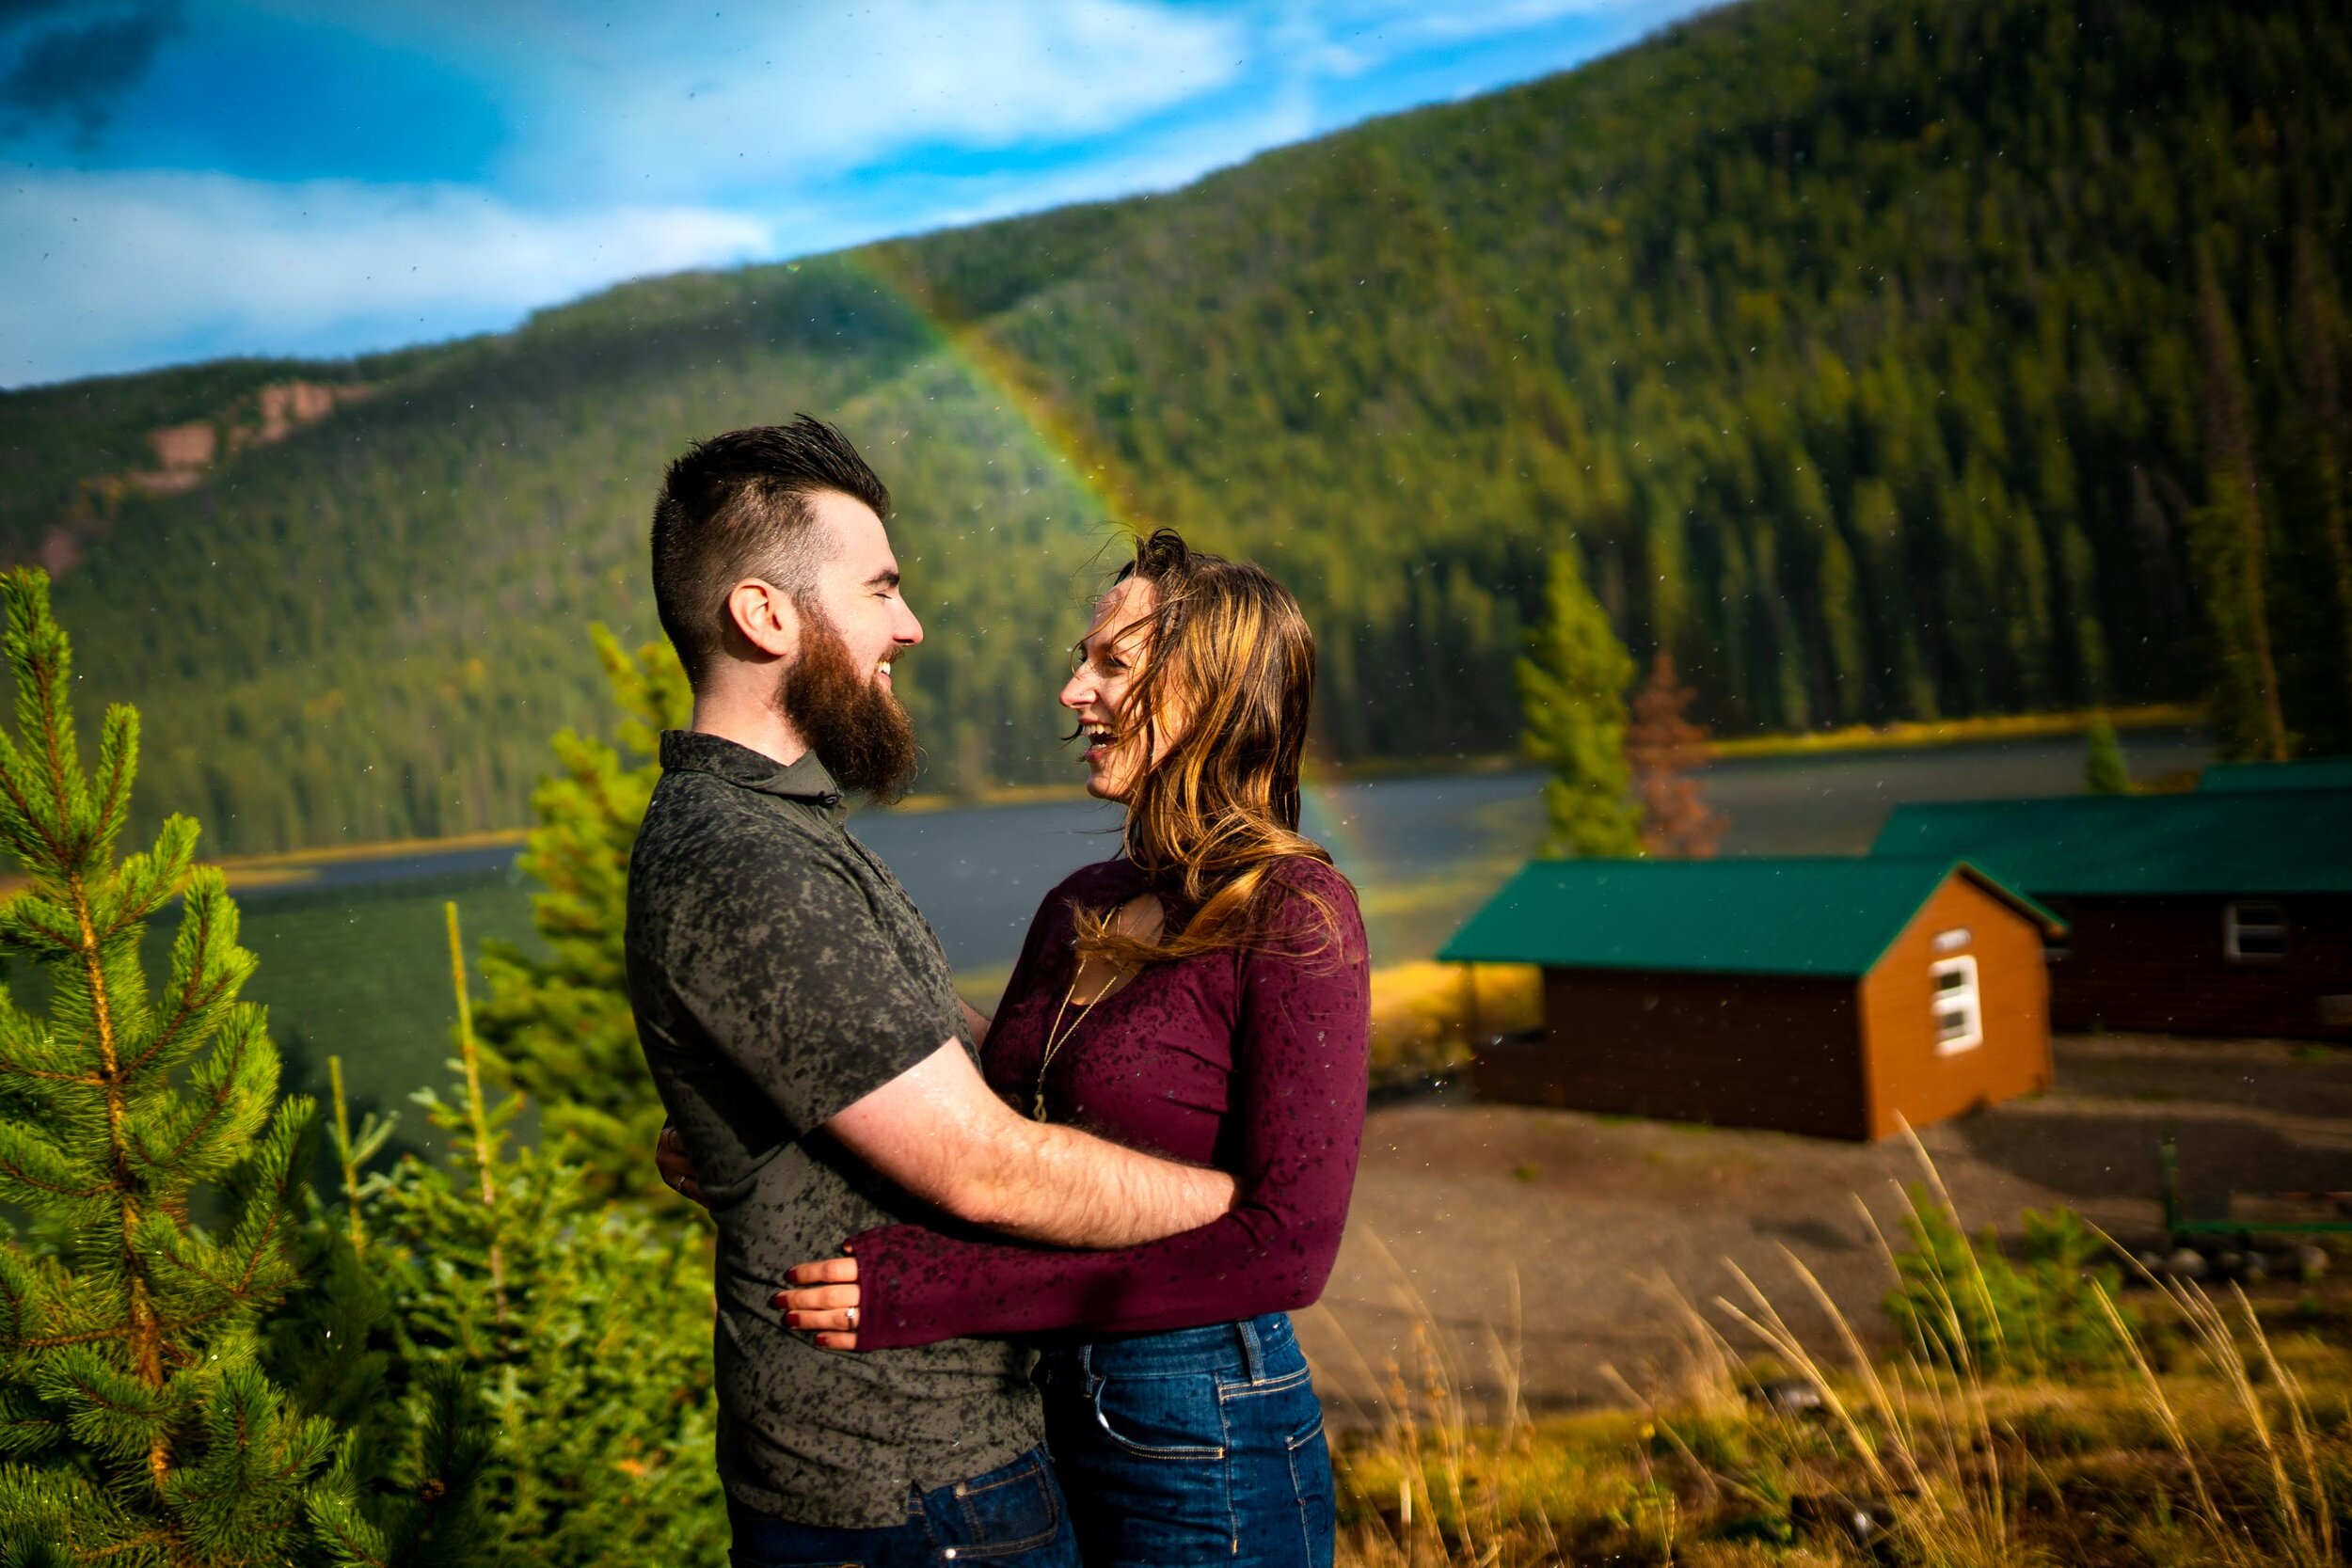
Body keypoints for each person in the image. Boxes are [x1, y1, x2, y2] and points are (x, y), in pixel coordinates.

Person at [625, 419, 1240, 1568]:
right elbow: (982, 1161)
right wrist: (1240, 1203)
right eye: (879, 588)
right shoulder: (745, 859)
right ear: (766, 616)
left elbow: (941, 1062)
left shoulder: (784, 831)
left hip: (931, 1480)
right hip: (907, 1496)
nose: (907, 623)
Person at [775, 530, 1372, 1568]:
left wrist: (947, 1290)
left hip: (1202, 1422)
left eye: (1112, 663)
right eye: (1079, 656)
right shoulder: (1078, 906)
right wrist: (769, 1105)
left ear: (1219, 690)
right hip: (1038, 1409)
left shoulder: (1296, 913)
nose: (1071, 691)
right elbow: (994, 1127)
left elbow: (1288, 1248)